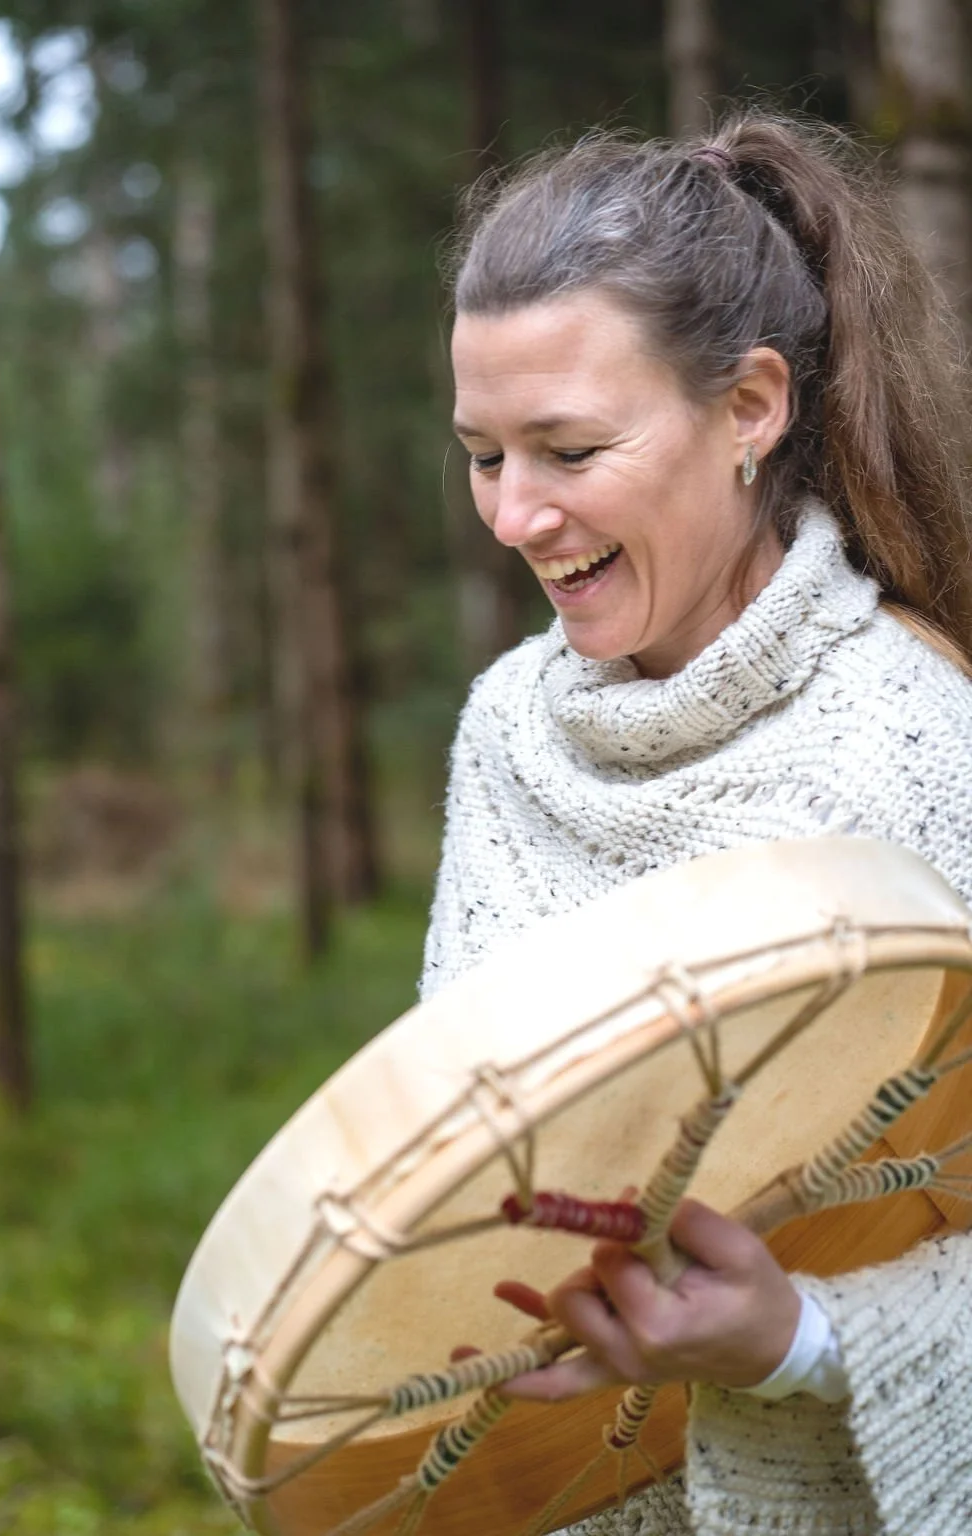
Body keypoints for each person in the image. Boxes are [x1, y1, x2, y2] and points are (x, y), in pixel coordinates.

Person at [420, 112, 972, 1535]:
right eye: (484, 455)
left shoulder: (914, 747)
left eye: (570, 447)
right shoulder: (507, 731)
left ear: (750, 408)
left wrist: (793, 1342)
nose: (517, 515)